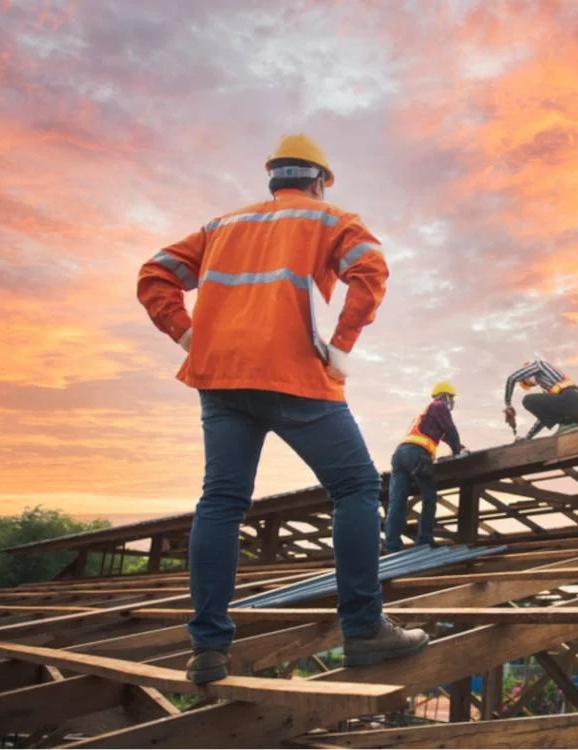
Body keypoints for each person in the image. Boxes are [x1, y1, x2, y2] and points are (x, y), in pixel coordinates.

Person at [136, 133, 428, 683]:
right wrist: (341, 347)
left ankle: (208, 649)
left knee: (221, 501)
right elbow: (370, 271)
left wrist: (188, 337)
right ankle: (364, 630)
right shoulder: (328, 219)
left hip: (221, 379)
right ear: (318, 182)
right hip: (293, 376)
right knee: (356, 488)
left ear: (273, 179)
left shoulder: (222, 226)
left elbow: (153, 274)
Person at [385, 381, 467, 552]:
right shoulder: (439, 406)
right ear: (446, 396)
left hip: (399, 455)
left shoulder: (425, 414)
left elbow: (443, 434)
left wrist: (459, 446)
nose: (452, 402)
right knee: (429, 497)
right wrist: (457, 450)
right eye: (451, 398)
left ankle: (392, 547)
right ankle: (424, 540)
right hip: (416, 455)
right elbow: (450, 429)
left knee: (397, 502)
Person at [503, 359, 578, 440]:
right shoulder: (553, 387)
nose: (531, 385)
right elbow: (544, 418)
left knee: (527, 400)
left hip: (572, 401)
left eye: (526, 382)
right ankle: (570, 426)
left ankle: (567, 425)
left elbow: (512, 378)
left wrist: (508, 404)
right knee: (553, 406)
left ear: (527, 374)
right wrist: (528, 438)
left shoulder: (538, 365)